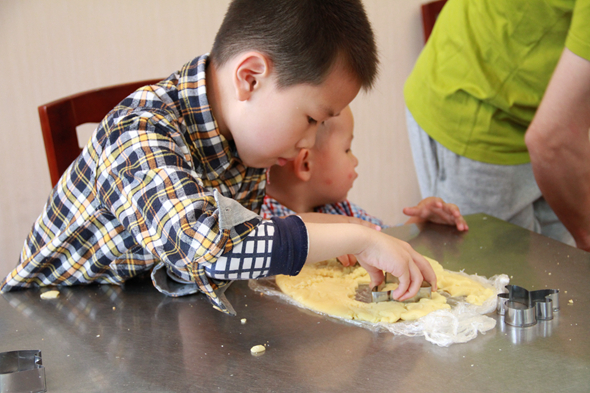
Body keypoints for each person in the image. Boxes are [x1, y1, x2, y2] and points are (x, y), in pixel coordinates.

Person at [1, 0, 437, 315]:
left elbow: (249, 236)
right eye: (309, 118)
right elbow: (209, 249)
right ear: (249, 78)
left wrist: (363, 232)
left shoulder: (242, 143)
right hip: (51, 328)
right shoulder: (139, 132)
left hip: (146, 315)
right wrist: (358, 237)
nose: (308, 143)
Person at [403, 0, 590, 251]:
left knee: (557, 270)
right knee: (491, 280)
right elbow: (551, 142)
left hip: (547, 119)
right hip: (478, 110)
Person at [262, 105, 468, 265]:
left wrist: (420, 221)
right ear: (306, 164)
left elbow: (386, 241)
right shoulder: (258, 218)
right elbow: (271, 239)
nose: (355, 160)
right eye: (347, 149)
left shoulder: (342, 211)